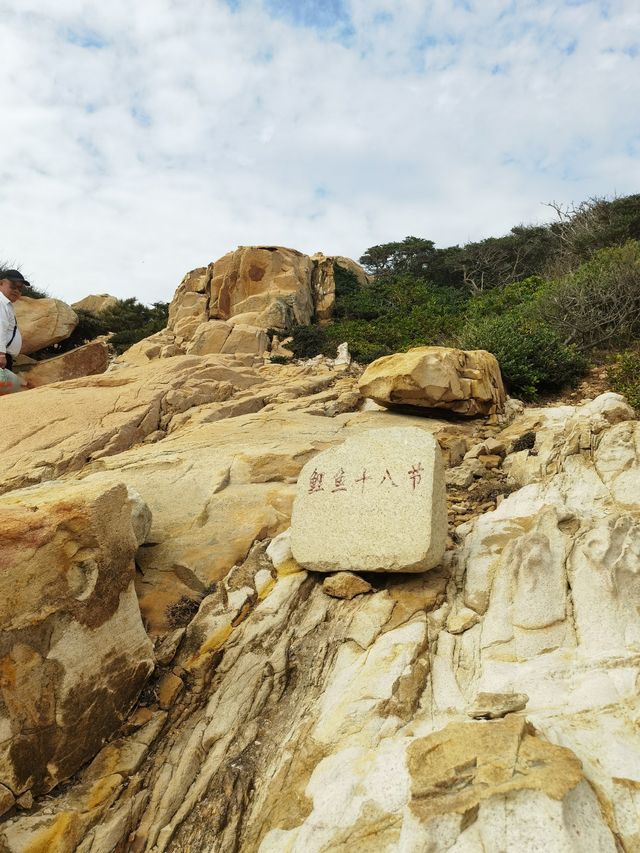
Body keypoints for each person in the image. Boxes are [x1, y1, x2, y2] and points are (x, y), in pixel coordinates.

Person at [0, 269, 28, 373]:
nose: (16, 290)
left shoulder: (6, 303)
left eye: (20, 288)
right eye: (13, 286)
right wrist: (1, 354)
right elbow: (0, 327)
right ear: (1, 283)